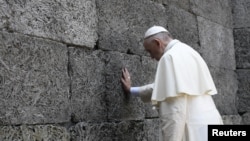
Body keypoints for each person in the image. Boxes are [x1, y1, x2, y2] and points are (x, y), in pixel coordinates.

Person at [121, 26, 223, 141]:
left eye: (150, 51)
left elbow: (174, 110)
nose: (151, 57)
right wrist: (131, 90)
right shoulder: (189, 51)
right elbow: (167, 88)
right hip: (210, 122)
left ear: (157, 43)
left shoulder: (168, 57)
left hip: (191, 129)